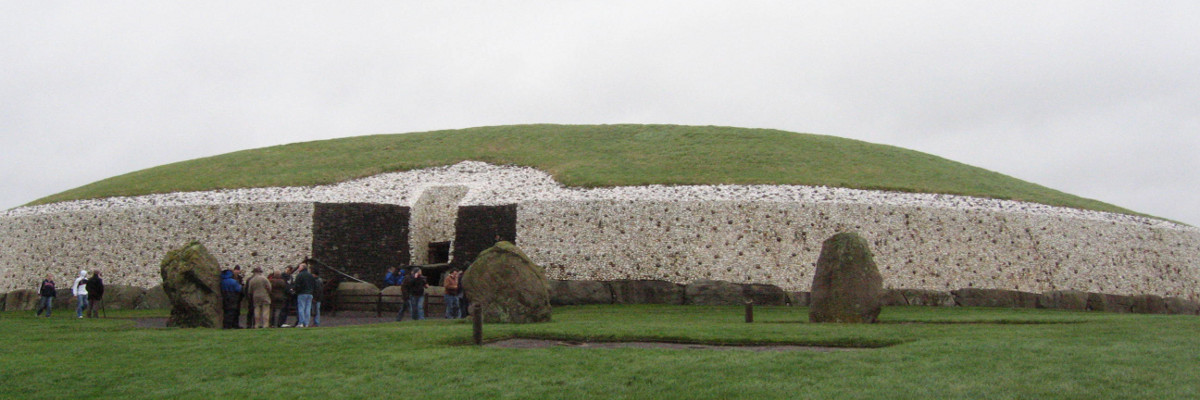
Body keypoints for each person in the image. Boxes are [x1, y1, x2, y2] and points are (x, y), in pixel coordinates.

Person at [293, 260, 318, 328]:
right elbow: (314, 285)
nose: (298, 268)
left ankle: (301, 322)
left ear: (302, 268)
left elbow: (297, 285)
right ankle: (306, 323)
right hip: (310, 294)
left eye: (299, 267)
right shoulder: (310, 276)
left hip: (302, 293)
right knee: (308, 308)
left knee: (301, 308)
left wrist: (295, 290)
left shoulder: (299, 275)